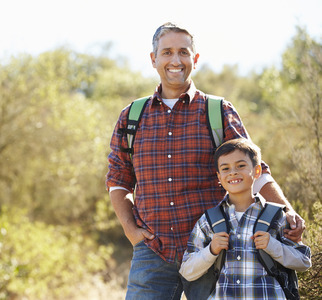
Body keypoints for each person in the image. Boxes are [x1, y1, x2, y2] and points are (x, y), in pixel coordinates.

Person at [105, 22, 305, 299]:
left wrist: (285, 212)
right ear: (154, 59)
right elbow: (118, 179)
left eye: (183, 53)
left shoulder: (217, 111)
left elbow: (253, 169)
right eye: (167, 52)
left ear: (194, 59)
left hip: (215, 249)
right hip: (152, 252)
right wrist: (131, 230)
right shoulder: (132, 116)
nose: (176, 60)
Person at [179, 138, 311, 299]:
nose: (233, 172)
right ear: (219, 177)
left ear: (257, 171)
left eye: (241, 166)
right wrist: (211, 251)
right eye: (225, 168)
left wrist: (273, 246)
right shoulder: (209, 220)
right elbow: (187, 271)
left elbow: (303, 262)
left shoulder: (276, 216)